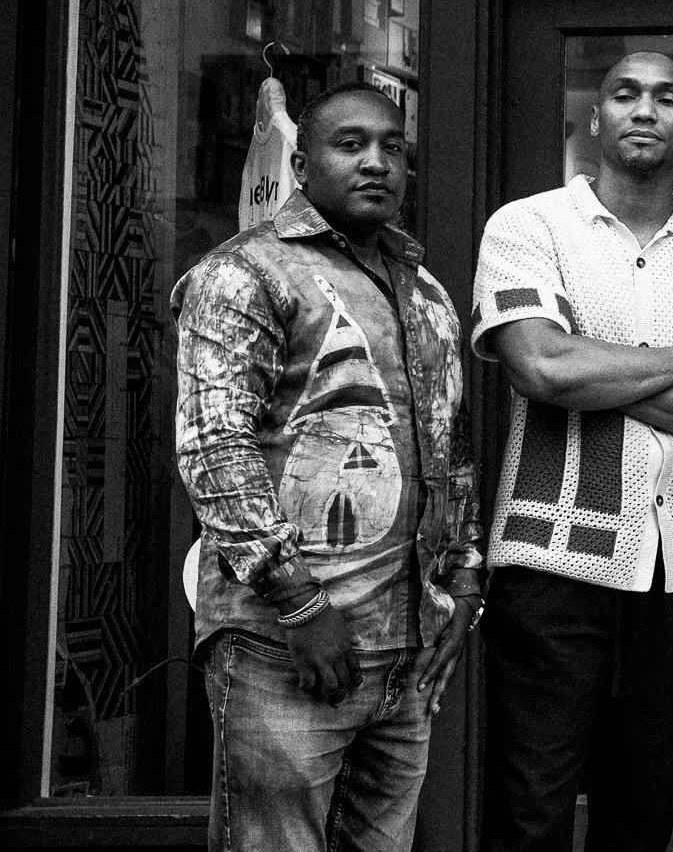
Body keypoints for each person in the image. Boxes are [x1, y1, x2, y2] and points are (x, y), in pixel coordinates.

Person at [471, 51, 673, 852]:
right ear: (596, 119)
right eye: (625, 94)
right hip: (549, 568)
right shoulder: (528, 226)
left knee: (641, 822)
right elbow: (541, 364)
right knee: (529, 813)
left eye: (666, 97)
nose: (645, 109)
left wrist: (593, 366)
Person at [174, 82, 481, 852]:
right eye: (351, 145)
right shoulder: (248, 272)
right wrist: (303, 606)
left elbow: (451, 447)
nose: (376, 162)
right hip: (288, 642)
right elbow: (214, 447)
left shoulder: (426, 292)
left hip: (404, 653)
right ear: (303, 164)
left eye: (392, 147)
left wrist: (463, 582)